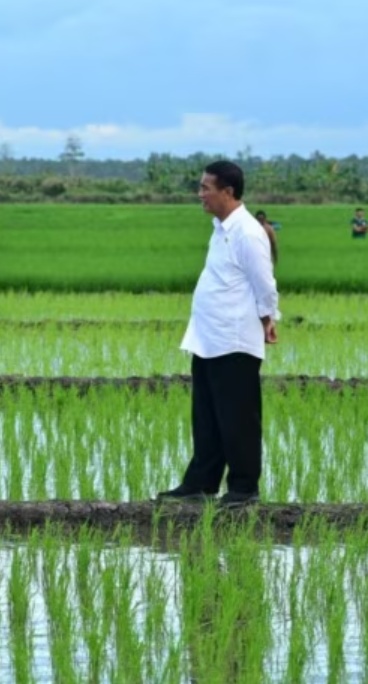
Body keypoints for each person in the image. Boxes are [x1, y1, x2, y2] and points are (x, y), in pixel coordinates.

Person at [157, 161, 280, 509]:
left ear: (228, 192)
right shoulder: (220, 228)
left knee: (238, 417)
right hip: (209, 338)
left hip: (235, 340)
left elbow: (265, 285)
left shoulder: (247, 232)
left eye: (205, 188)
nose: (200, 194)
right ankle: (200, 483)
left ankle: (243, 489)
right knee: (207, 415)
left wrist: (269, 319)